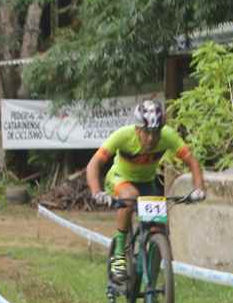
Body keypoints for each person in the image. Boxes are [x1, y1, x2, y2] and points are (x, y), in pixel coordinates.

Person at [86, 99, 206, 282]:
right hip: (119, 178)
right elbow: (94, 164)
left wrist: (199, 189)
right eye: (146, 132)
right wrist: (97, 192)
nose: (151, 139)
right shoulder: (123, 135)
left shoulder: (168, 136)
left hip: (146, 182)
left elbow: (192, 161)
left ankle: (151, 283)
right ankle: (119, 255)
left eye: (156, 133)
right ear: (137, 129)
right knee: (130, 196)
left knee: (160, 228)